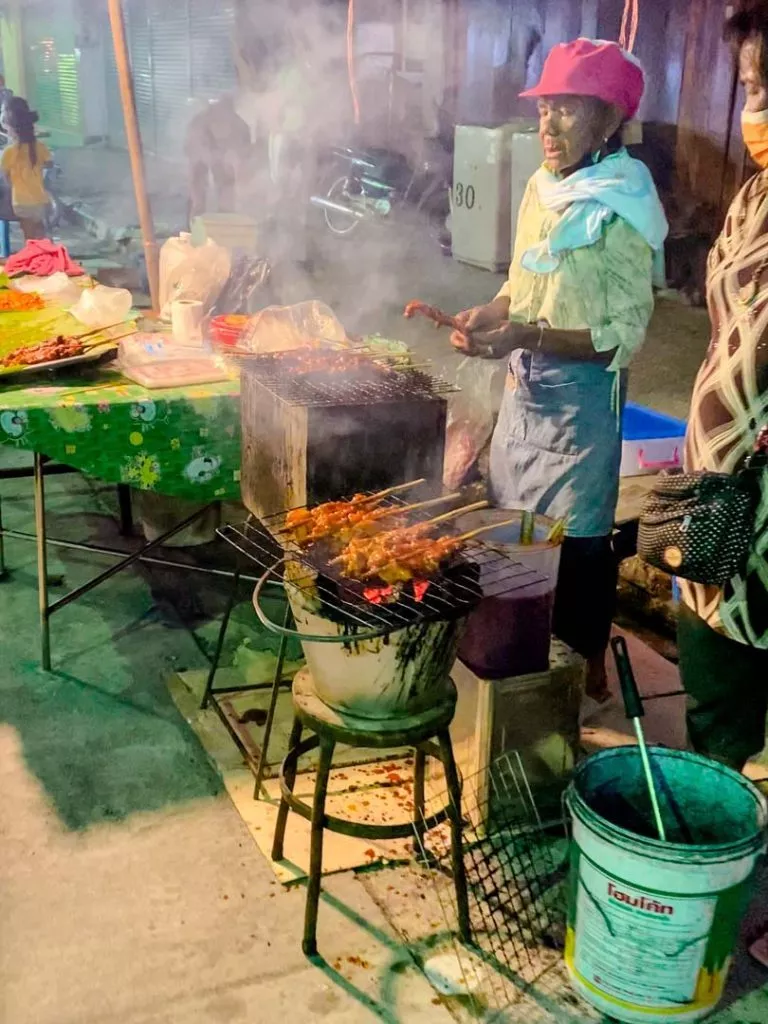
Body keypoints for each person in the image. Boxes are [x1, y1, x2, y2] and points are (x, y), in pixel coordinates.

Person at [450, 39, 668, 700]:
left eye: (567, 110)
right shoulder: (542, 189)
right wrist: (490, 314)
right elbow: (519, 285)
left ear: (607, 120)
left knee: (577, 548)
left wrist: (529, 334)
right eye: (543, 109)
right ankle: (517, 652)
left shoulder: (624, 210)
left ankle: (583, 668)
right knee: (513, 529)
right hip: (525, 396)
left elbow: (622, 335)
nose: (547, 127)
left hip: (578, 409)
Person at [677, 5, 768, 784]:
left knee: (742, 666)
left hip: (765, 508)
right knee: (711, 677)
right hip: (718, 485)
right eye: (750, 87)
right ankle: (718, 839)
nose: (758, 110)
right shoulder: (753, 198)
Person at [183, 94, 252, 221]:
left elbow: (244, 152)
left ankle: (225, 218)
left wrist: (234, 166)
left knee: (226, 186)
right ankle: (195, 223)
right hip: (199, 157)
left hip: (221, 159)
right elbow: (191, 148)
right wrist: (207, 156)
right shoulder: (199, 122)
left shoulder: (239, 125)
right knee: (197, 190)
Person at [0, 97, 51, 241]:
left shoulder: (9, 152)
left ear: (8, 124)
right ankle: (47, 259)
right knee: (40, 236)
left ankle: (35, 261)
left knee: (30, 240)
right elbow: (49, 164)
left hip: (21, 202)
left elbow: (5, 178)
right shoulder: (40, 147)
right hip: (40, 200)